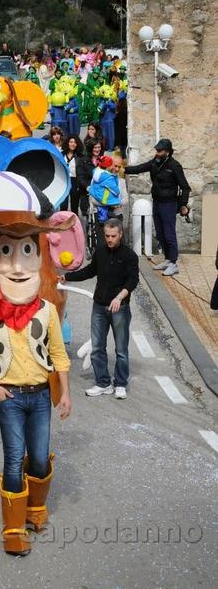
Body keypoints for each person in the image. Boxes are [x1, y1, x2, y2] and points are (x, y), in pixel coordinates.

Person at [0, 227, 71, 557]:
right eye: (6, 255)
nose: (16, 268)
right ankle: (13, 531)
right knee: (14, 460)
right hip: (10, 398)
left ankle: (35, 509)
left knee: (39, 458)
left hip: (41, 395)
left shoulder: (46, 311)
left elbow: (58, 354)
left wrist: (66, 394)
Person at [63, 218, 139, 399]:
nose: (110, 239)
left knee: (121, 349)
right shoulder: (101, 252)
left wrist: (120, 297)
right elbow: (90, 271)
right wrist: (67, 277)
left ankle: (120, 383)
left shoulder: (129, 256)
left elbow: (133, 280)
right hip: (99, 305)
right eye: (107, 236)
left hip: (119, 308)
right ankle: (103, 382)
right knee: (97, 347)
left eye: (113, 236)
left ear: (120, 234)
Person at [125, 139, 191, 277]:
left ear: (167, 152)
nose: (157, 152)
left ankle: (173, 263)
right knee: (160, 234)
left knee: (169, 234)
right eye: (157, 150)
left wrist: (183, 204)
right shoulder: (155, 162)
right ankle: (167, 259)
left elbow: (185, 187)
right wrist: (122, 169)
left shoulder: (174, 166)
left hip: (169, 204)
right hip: (157, 202)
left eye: (160, 150)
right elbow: (139, 168)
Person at [76, 138, 103, 217]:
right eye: (95, 147)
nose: (97, 149)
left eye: (99, 147)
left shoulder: (102, 160)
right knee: (88, 222)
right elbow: (80, 178)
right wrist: (88, 187)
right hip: (87, 195)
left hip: (100, 196)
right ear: (90, 148)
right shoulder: (82, 161)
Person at [62, 134, 83, 214]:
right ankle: (62, 223)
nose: (73, 144)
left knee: (74, 206)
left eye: (75, 142)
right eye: (71, 142)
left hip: (75, 181)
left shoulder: (80, 156)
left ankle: (74, 224)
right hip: (64, 181)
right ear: (67, 143)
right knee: (63, 205)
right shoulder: (62, 154)